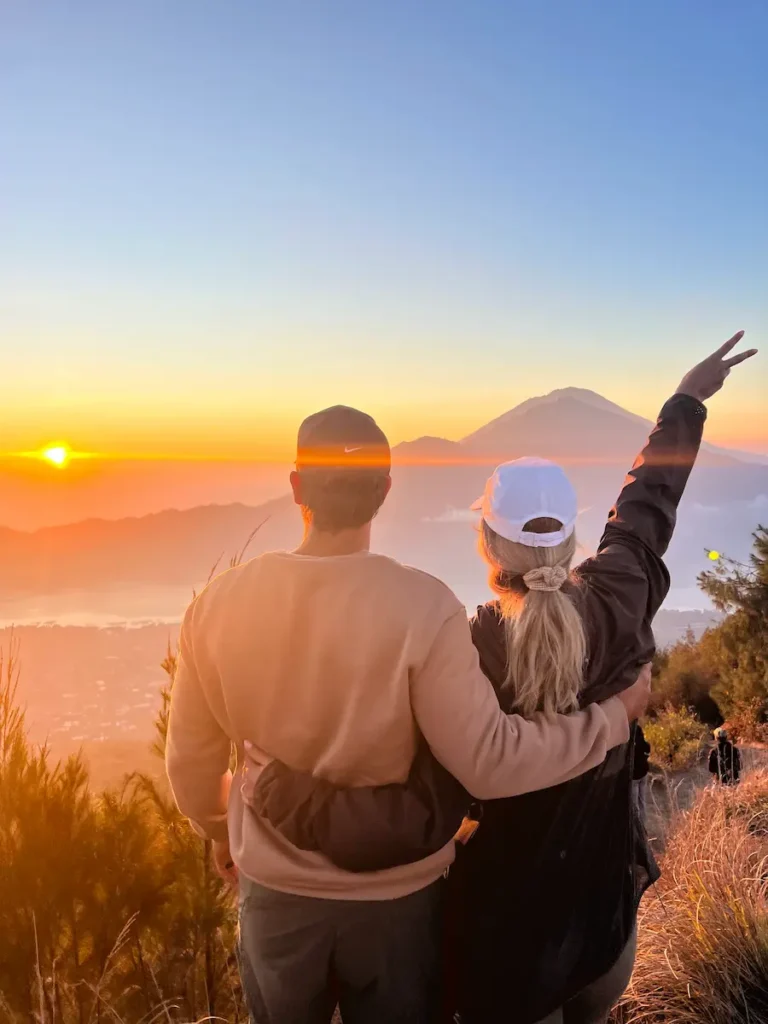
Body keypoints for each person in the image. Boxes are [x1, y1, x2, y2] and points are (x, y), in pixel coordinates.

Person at [246, 332, 756, 1024]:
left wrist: (282, 794)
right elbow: (648, 504)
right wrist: (686, 400)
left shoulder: (466, 647)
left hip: (509, 954)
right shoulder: (622, 591)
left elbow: (420, 806)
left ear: (485, 541)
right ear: (575, 539)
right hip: (606, 928)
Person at [165, 404, 649, 1024]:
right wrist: (610, 721)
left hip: (277, 897)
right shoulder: (427, 608)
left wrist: (220, 831)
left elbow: (191, 768)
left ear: (295, 488)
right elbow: (491, 762)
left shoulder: (217, 607)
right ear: (385, 492)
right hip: (399, 901)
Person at [632, 724, 651, 823]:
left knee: (634, 804)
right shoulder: (645, 744)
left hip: (635, 777)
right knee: (642, 801)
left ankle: (637, 825)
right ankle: (643, 822)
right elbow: (647, 753)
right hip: (644, 773)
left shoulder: (631, 749)